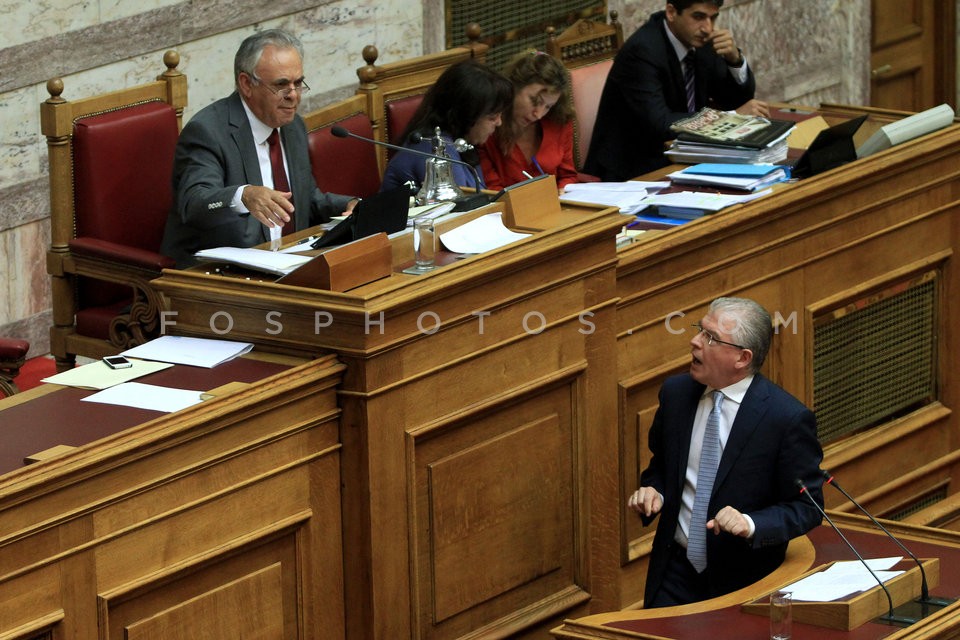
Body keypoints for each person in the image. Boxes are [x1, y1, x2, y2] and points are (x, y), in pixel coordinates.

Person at [628, 297, 823, 607]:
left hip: (744, 582)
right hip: (673, 574)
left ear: (742, 358)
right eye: (699, 330)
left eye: (711, 338)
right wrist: (655, 492)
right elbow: (663, 467)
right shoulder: (676, 395)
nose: (694, 342)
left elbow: (807, 507)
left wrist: (751, 522)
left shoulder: (784, 419)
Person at [161, 29, 358, 268]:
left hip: (290, 264)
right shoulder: (208, 132)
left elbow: (304, 199)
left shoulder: (292, 126)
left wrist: (349, 205)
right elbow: (194, 204)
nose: (293, 96)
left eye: (298, 83)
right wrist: (243, 195)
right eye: (281, 85)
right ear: (246, 84)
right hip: (221, 275)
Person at [584, 1, 770, 181]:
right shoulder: (642, 51)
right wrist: (729, 118)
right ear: (672, 12)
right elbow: (660, 123)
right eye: (698, 16)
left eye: (713, 18)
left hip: (685, 157)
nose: (707, 28)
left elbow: (735, 101)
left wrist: (734, 60)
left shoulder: (702, 41)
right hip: (633, 170)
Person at [380, 59, 512, 194]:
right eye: (492, 117)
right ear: (466, 114)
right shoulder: (435, 152)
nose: (499, 123)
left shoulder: (462, 143)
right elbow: (460, 209)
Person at [478, 51, 578, 191]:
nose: (539, 114)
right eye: (534, 101)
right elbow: (492, 190)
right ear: (514, 86)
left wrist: (562, 193)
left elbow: (568, 176)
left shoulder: (558, 121)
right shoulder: (487, 126)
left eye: (548, 106)